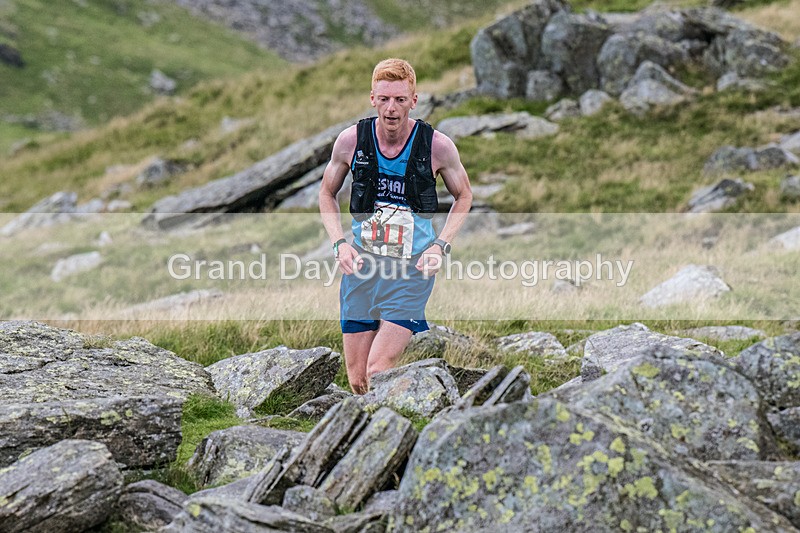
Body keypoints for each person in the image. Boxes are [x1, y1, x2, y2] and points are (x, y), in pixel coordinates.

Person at [319, 58, 472, 394]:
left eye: (400, 100)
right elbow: (326, 193)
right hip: (362, 268)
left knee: (377, 370)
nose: (391, 109)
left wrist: (440, 245)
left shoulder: (437, 146)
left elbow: (464, 196)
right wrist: (339, 244)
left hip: (411, 273)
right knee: (358, 379)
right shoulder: (350, 141)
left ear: (413, 101)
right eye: (384, 99)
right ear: (372, 98)